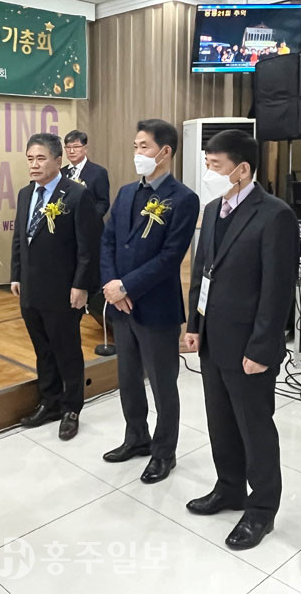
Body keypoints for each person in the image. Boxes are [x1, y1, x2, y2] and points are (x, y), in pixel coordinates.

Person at [183, 130, 298, 550]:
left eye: (215, 166)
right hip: (213, 339)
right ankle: (229, 488)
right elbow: (203, 272)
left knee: (254, 428)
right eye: (208, 164)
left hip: (250, 345)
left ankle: (262, 508)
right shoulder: (213, 208)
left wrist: (262, 348)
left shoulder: (275, 215)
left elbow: (277, 289)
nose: (208, 173)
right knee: (220, 420)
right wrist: (194, 325)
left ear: (242, 169)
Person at [100, 119, 200, 483]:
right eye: (135, 146)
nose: (137, 153)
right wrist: (111, 285)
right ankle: (136, 437)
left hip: (156, 307)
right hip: (121, 306)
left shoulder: (183, 199)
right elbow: (108, 240)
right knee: (128, 379)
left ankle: (164, 452)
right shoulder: (126, 192)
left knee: (162, 384)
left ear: (165, 151)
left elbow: (170, 256)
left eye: (144, 146)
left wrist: (126, 286)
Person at [11, 133, 100, 440]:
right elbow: (20, 238)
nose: (34, 165)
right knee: (43, 350)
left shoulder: (76, 195)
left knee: (67, 350)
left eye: (40, 158)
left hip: (63, 289)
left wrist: (81, 285)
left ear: (58, 161)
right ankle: (49, 402)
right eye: (30, 159)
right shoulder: (25, 194)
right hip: (31, 287)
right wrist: (16, 275)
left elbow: (88, 247)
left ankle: (71, 408)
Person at [62, 129, 111, 220]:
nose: (71, 151)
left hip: (89, 223)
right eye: (68, 147)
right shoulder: (61, 173)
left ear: (85, 148)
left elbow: (103, 202)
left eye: (76, 147)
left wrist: (90, 218)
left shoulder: (99, 172)